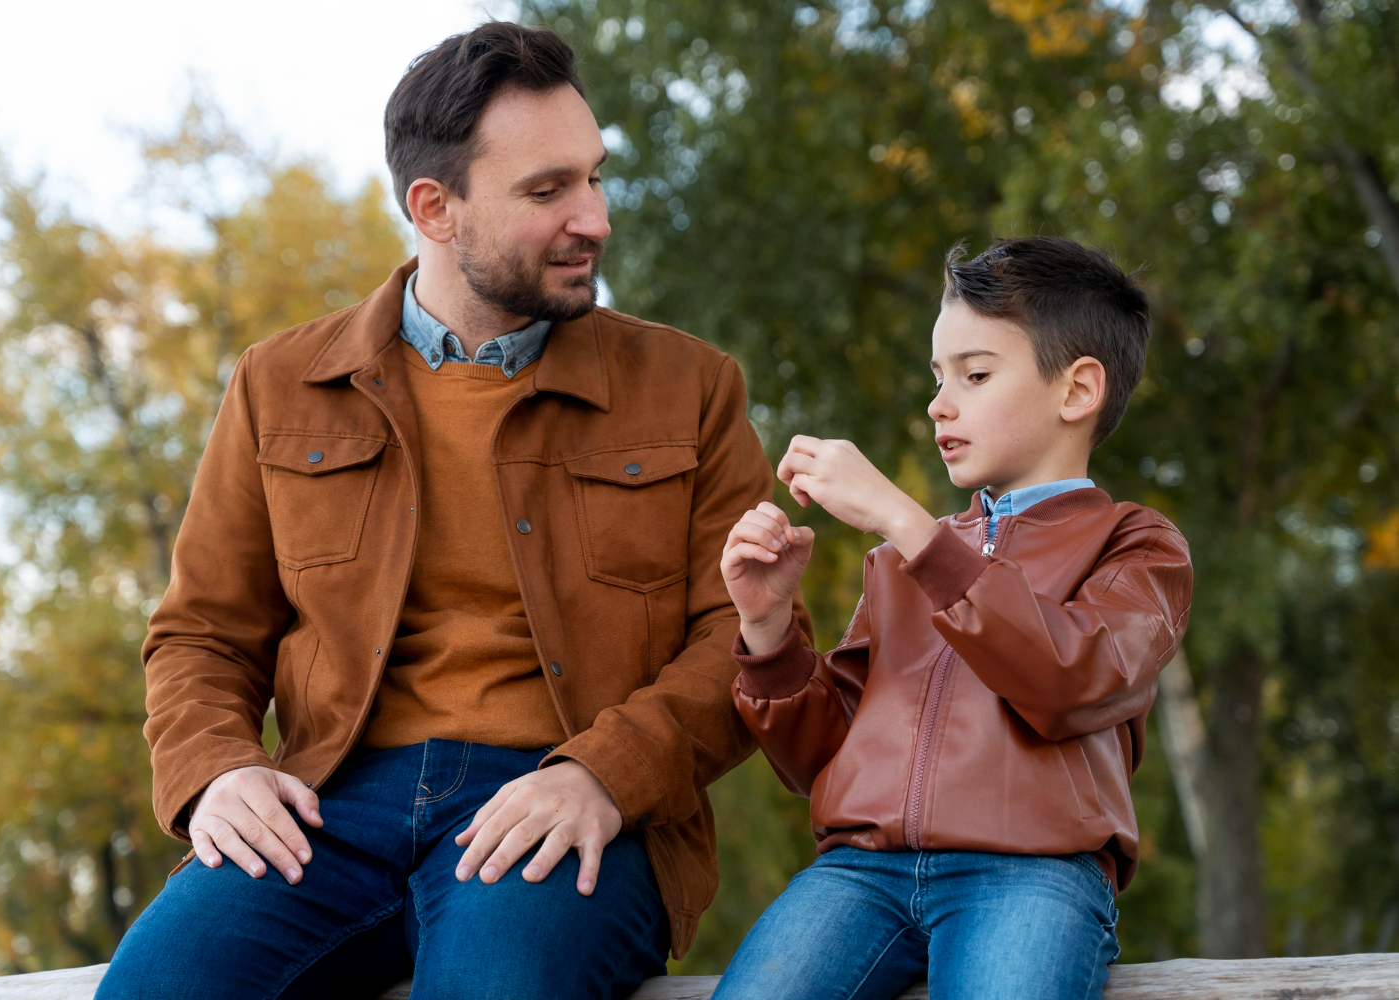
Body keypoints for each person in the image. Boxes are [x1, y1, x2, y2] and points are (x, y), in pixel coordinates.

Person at [96, 22, 805, 1000]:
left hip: (566, 796)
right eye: (548, 191)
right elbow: (201, 632)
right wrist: (217, 769)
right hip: (327, 806)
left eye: (594, 177)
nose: (594, 218)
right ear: (435, 208)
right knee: (155, 988)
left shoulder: (690, 387)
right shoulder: (280, 385)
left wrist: (606, 770)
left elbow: (746, 635)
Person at [713, 237, 1193, 1000]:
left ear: (1076, 392)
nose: (940, 403)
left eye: (974, 375)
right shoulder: (900, 561)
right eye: (937, 378)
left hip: (1032, 873)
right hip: (858, 874)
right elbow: (825, 762)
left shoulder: (1138, 546)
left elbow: (1071, 678)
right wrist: (768, 630)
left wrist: (910, 529)